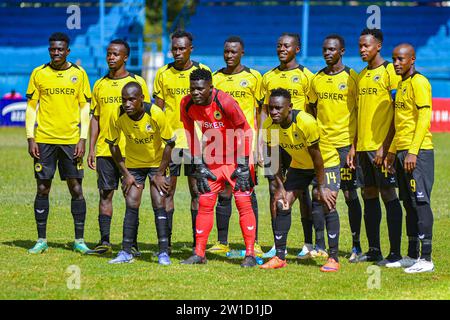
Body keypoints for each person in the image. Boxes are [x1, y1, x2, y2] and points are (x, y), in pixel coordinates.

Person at [179, 68, 257, 267]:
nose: (195, 93)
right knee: (204, 202)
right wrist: (199, 164)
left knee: (242, 202)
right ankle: (199, 254)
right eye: (192, 89)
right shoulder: (186, 103)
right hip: (212, 159)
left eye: (200, 89)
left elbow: (244, 129)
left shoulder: (225, 101)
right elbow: (190, 133)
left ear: (210, 87)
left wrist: (243, 164)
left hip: (236, 157)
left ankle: (249, 254)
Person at [260, 88, 341, 272]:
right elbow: (273, 160)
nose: (274, 112)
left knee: (326, 201)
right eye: (271, 108)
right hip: (300, 165)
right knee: (282, 202)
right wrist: (280, 186)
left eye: (278, 108)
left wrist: (321, 187)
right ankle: (279, 257)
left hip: (326, 162)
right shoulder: (268, 126)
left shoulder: (306, 122)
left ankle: (333, 258)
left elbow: (317, 157)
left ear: (290, 107)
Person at [25, 32, 91, 254]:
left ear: (68, 51)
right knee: (43, 188)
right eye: (53, 49)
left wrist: (82, 138)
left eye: (60, 49)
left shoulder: (79, 74)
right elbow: (32, 107)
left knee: (76, 188)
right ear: (49, 50)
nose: (56, 53)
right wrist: (30, 137)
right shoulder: (39, 73)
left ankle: (79, 240)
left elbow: (85, 108)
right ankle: (41, 239)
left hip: (71, 141)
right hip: (44, 140)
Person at [86, 39, 150, 256]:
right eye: (108, 54)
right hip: (106, 150)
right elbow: (96, 118)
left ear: (125, 57)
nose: (111, 57)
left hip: (132, 152)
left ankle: (131, 243)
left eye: (115, 54)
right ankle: (104, 241)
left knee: (132, 197)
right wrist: (92, 147)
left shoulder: (137, 82)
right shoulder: (100, 84)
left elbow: (146, 115)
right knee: (105, 194)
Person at [347, 28, 403, 265]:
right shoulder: (360, 76)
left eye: (366, 46)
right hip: (362, 148)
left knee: (388, 194)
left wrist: (386, 146)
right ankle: (374, 250)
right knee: (368, 193)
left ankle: (395, 253)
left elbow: (397, 112)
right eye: (360, 46)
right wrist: (353, 147)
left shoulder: (390, 72)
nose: (362, 50)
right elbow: (358, 114)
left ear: (378, 46)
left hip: (381, 148)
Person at [152, 30, 210, 253]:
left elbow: (209, 108)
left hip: (196, 142)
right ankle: (166, 244)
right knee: (167, 192)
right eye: (174, 48)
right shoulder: (163, 73)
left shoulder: (201, 71)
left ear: (190, 49)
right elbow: (157, 109)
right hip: (172, 143)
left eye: (181, 48)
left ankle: (198, 244)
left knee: (198, 192)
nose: (177, 52)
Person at [260, 33, 317, 259]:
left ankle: (309, 243)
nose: (282, 49)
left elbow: (313, 110)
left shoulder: (307, 76)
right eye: (279, 45)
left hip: (298, 141)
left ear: (297, 49)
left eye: (286, 45)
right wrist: (261, 142)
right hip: (274, 140)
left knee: (303, 193)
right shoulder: (269, 76)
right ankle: (277, 243)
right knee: (274, 189)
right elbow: (265, 110)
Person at [106, 82, 175, 265]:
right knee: (131, 201)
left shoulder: (155, 113)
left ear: (141, 99)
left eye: (131, 99)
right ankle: (126, 252)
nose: (127, 104)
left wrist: (160, 173)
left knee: (159, 201)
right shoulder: (117, 114)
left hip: (156, 164)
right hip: (133, 165)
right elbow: (112, 145)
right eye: (124, 100)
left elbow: (170, 144)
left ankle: (163, 253)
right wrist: (125, 173)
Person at [308, 34, 363, 262]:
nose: (327, 53)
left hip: (344, 147)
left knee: (350, 194)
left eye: (332, 49)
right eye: (325, 50)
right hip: (323, 147)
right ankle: (320, 244)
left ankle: (356, 245)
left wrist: (354, 146)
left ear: (342, 51)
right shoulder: (317, 79)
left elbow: (361, 113)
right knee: (318, 193)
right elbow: (311, 108)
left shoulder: (352, 77)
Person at [207, 36, 263, 255]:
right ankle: (222, 242)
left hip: (245, 143)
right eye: (226, 52)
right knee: (223, 190)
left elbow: (259, 113)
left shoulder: (253, 77)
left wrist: (259, 143)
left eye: (234, 52)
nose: (229, 56)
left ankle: (255, 242)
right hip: (220, 143)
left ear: (242, 53)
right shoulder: (216, 78)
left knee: (247, 189)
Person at [384, 44, 435, 273]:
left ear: (412, 60)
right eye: (394, 59)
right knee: (409, 203)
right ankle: (412, 255)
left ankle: (426, 258)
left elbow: (424, 117)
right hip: (403, 152)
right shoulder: (401, 84)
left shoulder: (419, 82)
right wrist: (393, 152)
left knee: (421, 202)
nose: (396, 63)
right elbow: (400, 123)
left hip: (419, 152)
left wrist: (413, 151)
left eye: (401, 59)